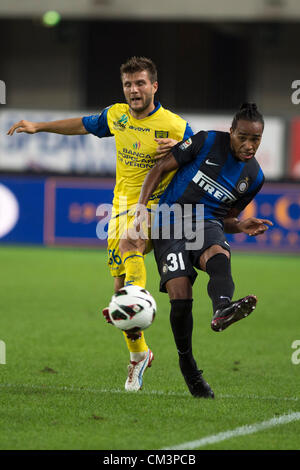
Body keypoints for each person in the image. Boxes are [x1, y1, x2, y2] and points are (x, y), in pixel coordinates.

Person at [7, 56, 193, 392]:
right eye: (128, 84)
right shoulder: (117, 115)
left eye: (140, 83)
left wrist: (183, 150)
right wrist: (38, 126)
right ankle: (139, 356)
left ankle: (140, 297)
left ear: (154, 86)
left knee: (130, 244)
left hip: (157, 208)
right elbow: (82, 124)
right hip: (120, 209)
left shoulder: (176, 126)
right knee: (119, 297)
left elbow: (203, 154)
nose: (134, 90)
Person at [134, 103, 273, 398]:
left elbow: (226, 218)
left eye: (256, 140)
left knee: (219, 255)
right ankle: (189, 368)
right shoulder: (207, 140)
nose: (249, 146)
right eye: (243, 137)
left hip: (205, 223)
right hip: (170, 221)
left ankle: (223, 308)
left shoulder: (254, 177)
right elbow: (160, 168)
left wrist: (242, 226)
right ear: (231, 131)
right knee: (180, 295)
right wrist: (141, 208)